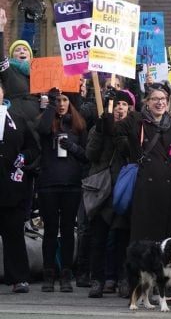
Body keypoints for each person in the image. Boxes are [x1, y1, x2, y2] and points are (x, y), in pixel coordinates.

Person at [114, 86, 171, 242]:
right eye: (155, 99)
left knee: (166, 240)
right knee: (144, 239)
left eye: (163, 99)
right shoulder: (136, 120)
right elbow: (116, 130)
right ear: (147, 102)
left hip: (167, 190)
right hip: (144, 189)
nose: (159, 103)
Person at [37, 89, 89, 293]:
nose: (61, 103)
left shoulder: (78, 125)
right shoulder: (47, 120)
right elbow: (41, 129)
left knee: (68, 230)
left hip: (71, 184)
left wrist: (73, 148)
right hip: (49, 184)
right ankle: (48, 272)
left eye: (64, 99)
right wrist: (49, 105)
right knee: (50, 230)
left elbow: (86, 156)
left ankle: (66, 273)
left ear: (71, 102)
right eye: (58, 100)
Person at [85, 90, 133, 298]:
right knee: (99, 239)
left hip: (122, 191)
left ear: (130, 108)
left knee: (122, 238)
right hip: (102, 191)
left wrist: (119, 133)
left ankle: (123, 279)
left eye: (124, 104)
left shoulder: (133, 129)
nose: (120, 108)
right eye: (116, 104)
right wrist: (99, 130)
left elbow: (131, 153)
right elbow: (90, 154)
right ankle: (97, 279)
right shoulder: (99, 128)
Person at [0, 82, 39, 294]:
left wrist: (24, 157)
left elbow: (33, 147)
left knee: (14, 233)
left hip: (11, 187)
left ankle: (19, 278)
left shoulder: (17, 120)